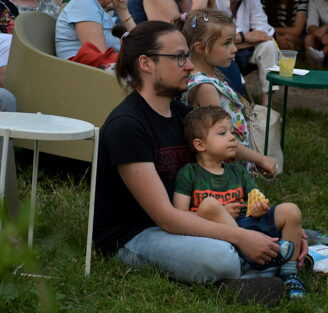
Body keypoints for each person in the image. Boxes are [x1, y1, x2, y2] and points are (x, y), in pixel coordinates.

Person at [93, 21, 307, 288]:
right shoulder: (127, 126)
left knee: (280, 223)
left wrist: (270, 230)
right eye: (179, 57)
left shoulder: (182, 116)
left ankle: (268, 260)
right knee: (221, 258)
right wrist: (241, 237)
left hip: (189, 221)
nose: (190, 65)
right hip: (135, 235)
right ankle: (266, 269)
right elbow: (166, 217)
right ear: (146, 63)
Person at [173, 106, 306, 299]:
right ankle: (263, 258)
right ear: (200, 145)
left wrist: (259, 208)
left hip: (248, 224)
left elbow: (255, 198)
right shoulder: (189, 174)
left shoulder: (238, 171)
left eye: (232, 132)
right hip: (216, 233)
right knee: (209, 205)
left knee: (290, 210)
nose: (232, 137)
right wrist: (222, 212)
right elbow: (179, 214)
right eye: (222, 133)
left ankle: (290, 272)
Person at [174, 8, 250, 149]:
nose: (235, 49)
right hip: (226, 163)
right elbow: (221, 138)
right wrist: (259, 159)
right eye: (227, 43)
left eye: (233, 42)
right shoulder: (206, 88)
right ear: (200, 48)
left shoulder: (211, 75)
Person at [215, 0, 278, 107]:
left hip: (247, 50)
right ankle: (238, 102)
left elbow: (264, 32)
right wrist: (246, 37)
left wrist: (238, 40)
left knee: (269, 45)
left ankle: (267, 102)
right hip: (223, 51)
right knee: (223, 48)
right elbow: (215, 36)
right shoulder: (216, 2)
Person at [55, 0, 136, 60]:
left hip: (96, 71)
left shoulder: (97, 9)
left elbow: (138, 41)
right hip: (84, 74)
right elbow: (99, 56)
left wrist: (123, 10)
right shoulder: (84, 4)